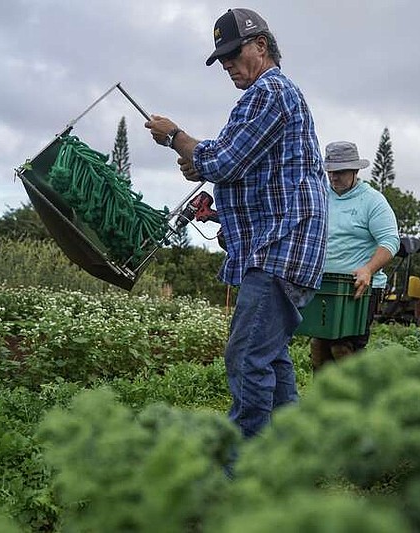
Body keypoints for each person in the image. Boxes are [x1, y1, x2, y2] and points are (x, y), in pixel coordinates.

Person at [144, 8, 327, 439]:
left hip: (281, 246)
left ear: (260, 47)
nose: (226, 64)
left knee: (245, 357)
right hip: (277, 248)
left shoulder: (271, 92)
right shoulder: (261, 99)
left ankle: (238, 471)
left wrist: (175, 137)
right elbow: (232, 162)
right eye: (221, 58)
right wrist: (199, 162)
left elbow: (224, 159)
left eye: (233, 53)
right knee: (271, 357)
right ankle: (290, 455)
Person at [310, 141, 399, 371]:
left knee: (344, 348)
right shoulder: (320, 196)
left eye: (339, 172)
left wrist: (368, 269)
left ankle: (358, 400)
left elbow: (390, 241)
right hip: (326, 286)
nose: (334, 178)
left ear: (355, 171)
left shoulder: (372, 201)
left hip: (358, 287)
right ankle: (323, 403)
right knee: (319, 347)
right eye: (330, 171)